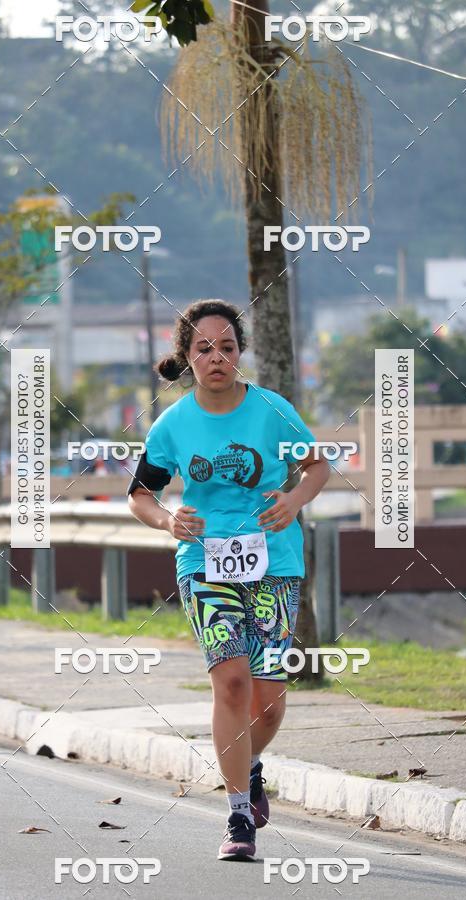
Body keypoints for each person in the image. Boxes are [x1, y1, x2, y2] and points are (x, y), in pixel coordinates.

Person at [127, 299, 330, 862]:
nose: (216, 357)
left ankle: (250, 763)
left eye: (227, 347)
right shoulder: (174, 424)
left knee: (269, 704)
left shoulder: (271, 410)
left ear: (240, 353)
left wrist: (293, 500)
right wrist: (168, 521)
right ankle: (239, 814)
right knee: (232, 684)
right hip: (204, 563)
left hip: (275, 564)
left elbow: (317, 466)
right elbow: (140, 496)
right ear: (187, 357)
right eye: (204, 348)